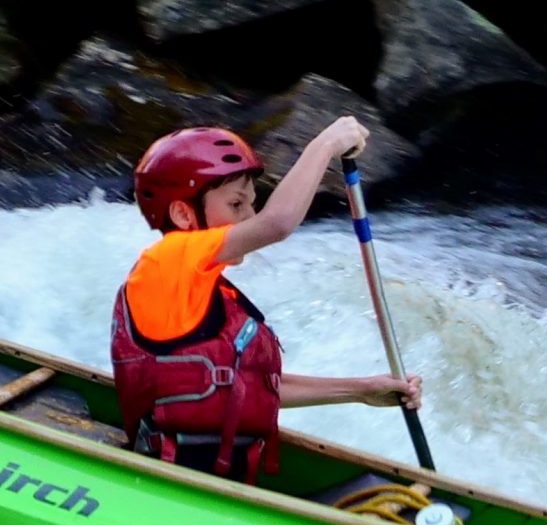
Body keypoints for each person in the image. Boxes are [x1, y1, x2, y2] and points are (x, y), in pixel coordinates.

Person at [112, 119, 420, 482]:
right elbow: (278, 224)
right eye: (236, 204)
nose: (250, 218)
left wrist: (361, 390)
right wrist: (325, 144)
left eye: (252, 205)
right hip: (176, 476)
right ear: (182, 214)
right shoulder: (166, 264)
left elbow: (249, 385)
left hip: (226, 477)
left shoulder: (208, 290)